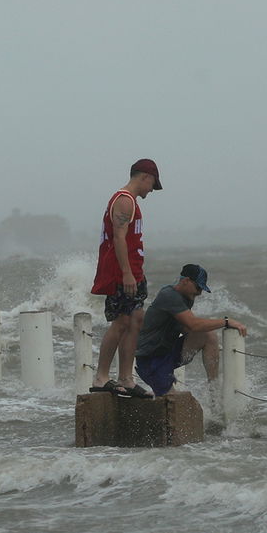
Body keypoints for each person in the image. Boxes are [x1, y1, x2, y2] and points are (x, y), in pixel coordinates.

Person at [89, 158, 162, 398]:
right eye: (152, 184)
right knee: (121, 322)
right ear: (145, 177)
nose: (151, 190)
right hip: (122, 274)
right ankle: (101, 378)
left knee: (136, 320)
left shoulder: (131, 202)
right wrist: (127, 274)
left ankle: (126, 378)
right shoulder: (124, 200)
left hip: (134, 272)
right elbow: (119, 239)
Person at [135, 264, 249, 397]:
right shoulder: (169, 295)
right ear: (186, 281)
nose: (199, 293)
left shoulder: (187, 297)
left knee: (208, 336)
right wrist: (227, 321)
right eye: (198, 287)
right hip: (150, 359)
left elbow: (187, 328)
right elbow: (194, 324)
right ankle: (161, 386)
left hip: (167, 353)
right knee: (173, 400)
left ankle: (214, 391)